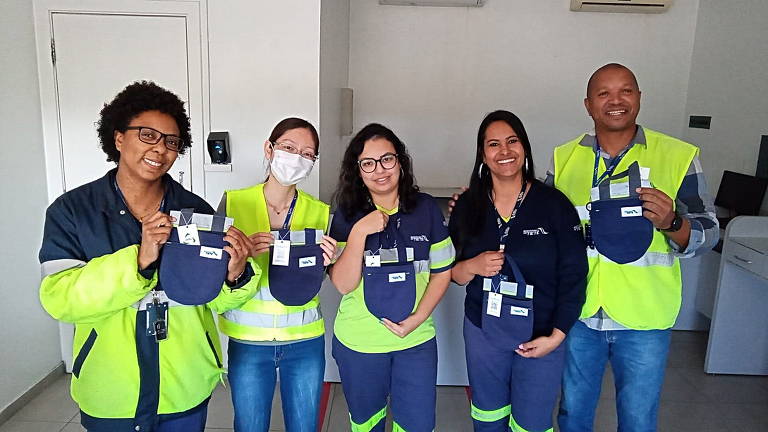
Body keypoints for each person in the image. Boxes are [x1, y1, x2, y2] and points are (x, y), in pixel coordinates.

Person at [38, 81, 260, 432]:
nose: (160, 149)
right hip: (111, 387)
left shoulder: (195, 212)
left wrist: (236, 275)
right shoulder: (73, 211)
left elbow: (215, 301)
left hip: (184, 383)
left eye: (172, 142)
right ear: (118, 137)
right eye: (147, 135)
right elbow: (60, 298)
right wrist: (138, 261)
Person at [552, 63, 719, 432]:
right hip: (580, 313)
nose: (615, 100)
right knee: (573, 414)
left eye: (625, 91)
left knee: (638, 420)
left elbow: (710, 231)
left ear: (639, 98)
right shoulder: (563, 160)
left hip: (644, 318)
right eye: (604, 93)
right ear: (588, 104)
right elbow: (543, 229)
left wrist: (673, 223)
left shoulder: (677, 156)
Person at [450, 110, 587, 431]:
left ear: (525, 148)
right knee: (487, 414)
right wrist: (472, 265)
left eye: (513, 141)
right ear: (482, 155)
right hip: (484, 330)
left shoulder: (553, 204)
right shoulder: (468, 205)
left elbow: (574, 273)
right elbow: (450, 274)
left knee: (532, 421)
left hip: (541, 334)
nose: (505, 151)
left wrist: (558, 334)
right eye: (494, 144)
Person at [328, 123, 455, 432]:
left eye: (387, 159)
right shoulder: (346, 213)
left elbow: (442, 272)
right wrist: (359, 232)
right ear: (357, 170)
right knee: (367, 423)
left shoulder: (425, 209)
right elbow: (343, 284)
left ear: (400, 161)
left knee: (417, 424)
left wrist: (418, 318)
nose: (379, 170)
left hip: (415, 339)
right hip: (359, 342)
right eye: (368, 163)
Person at [216, 118, 336, 432]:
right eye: (289, 148)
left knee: (304, 426)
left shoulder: (320, 212)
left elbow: (321, 277)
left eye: (308, 154)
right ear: (269, 149)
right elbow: (213, 278)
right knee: (250, 425)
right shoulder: (233, 202)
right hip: (249, 342)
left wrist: (325, 261)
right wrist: (240, 263)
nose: (297, 158)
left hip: (304, 340)